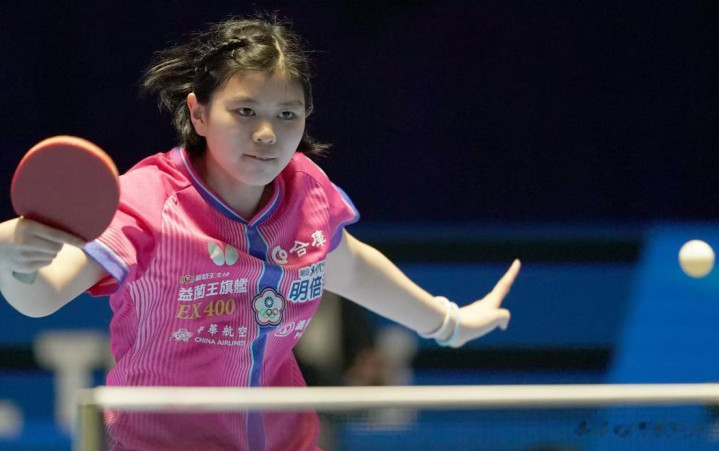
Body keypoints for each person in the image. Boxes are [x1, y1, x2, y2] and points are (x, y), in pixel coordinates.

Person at [0, 15, 520, 450]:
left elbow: (350, 266)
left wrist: (449, 322)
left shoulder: (306, 191)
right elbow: (42, 297)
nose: (268, 133)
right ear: (199, 113)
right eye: (245, 111)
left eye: (286, 114)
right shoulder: (148, 201)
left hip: (287, 441)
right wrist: (11, 257)